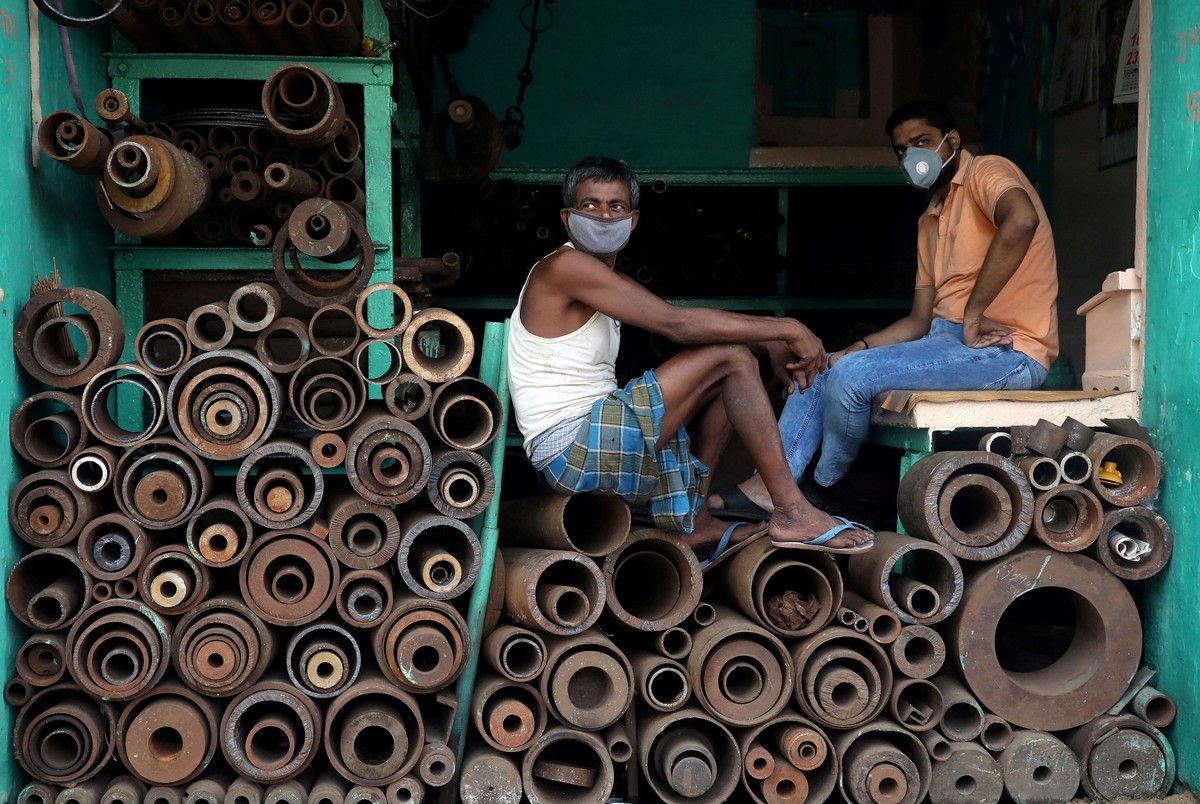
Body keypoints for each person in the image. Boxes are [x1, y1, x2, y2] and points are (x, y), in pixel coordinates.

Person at [507, 156, 874, 563]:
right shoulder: (564, 266)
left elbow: (692, 322)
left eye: (616, 206)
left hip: (586, 444)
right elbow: (677, 324)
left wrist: (766, 342)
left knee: (731, 368)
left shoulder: (601, 280)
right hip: (573, 447)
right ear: (566, 216)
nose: (603, 216)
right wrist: (784, 328)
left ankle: (696, 522)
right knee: (732, 359)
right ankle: (792, 511)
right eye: (590, 205)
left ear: (632, 221)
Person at [709, 99, 1059, 522]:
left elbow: (1020, 220)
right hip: (945, 343)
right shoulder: (931, 216)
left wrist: (973, 314)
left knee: (853, 378)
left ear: (953, 141)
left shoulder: (987, 171)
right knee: (823, 366)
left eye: (922, 142)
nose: (913, 156)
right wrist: (854, 347)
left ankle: (823, 490)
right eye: (902, 149)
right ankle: (770, 486)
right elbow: (919, 319)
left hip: (1008, 349)